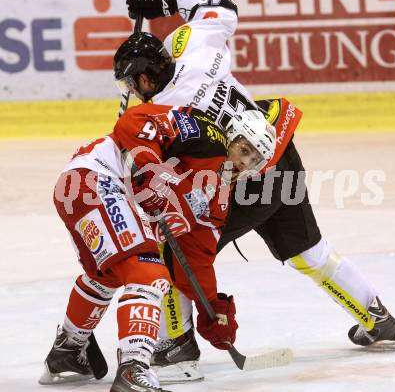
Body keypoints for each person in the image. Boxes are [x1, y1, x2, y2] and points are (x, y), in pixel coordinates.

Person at [118, 0, 395, 383]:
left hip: (242, 181)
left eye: (132, 85)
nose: (133, 92)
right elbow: (222, 5)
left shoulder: (166, 110)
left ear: (147, 80)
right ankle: (379, 319)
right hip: (280, 152)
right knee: (310, 250)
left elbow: (170, 174)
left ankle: (178, 350)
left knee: (170, 246)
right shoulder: (191, 44)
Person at [39, 99, 277, 392]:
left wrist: (211, 307)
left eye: (254, 159)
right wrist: (150, 169)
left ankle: (68, 351)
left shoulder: (220, 195)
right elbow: (134, 121)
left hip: (93, 190)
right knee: (149, 275)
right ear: (231, 137)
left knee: (110, 276)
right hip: (96, 178)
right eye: (243, 149)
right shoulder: (206, 135)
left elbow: (196, 254)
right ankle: (133, 368)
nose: (244, 161)